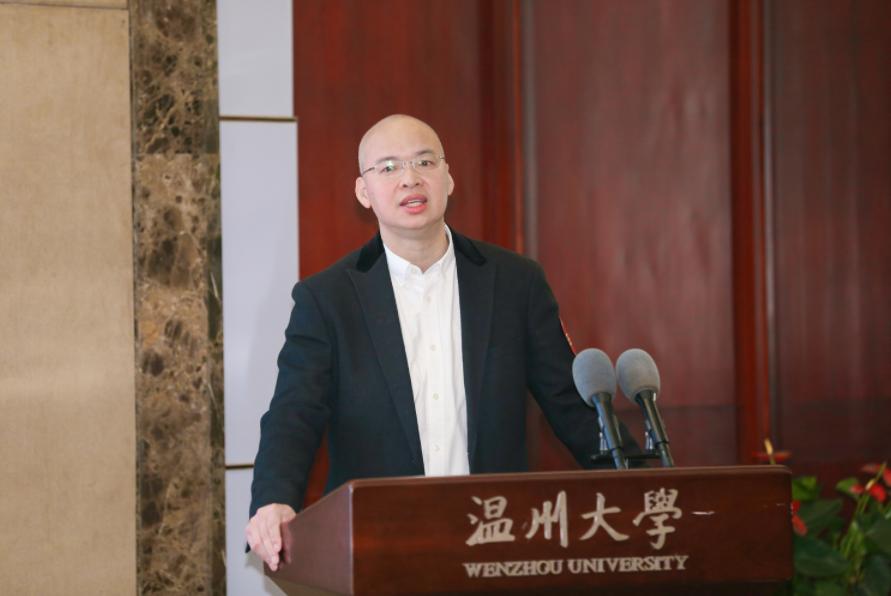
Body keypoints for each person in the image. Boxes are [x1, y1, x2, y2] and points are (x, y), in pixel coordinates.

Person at [246, 114, 619, 570]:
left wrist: (647, 484)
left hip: (496, 541)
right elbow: (294, 413)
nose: (410, 178)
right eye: (388, 167)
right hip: (379, 546)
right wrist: (273, 500)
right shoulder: (327, 300)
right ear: (363, 192)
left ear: (448, 178)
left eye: (424, 162)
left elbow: (571, 407)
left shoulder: (515, 284)